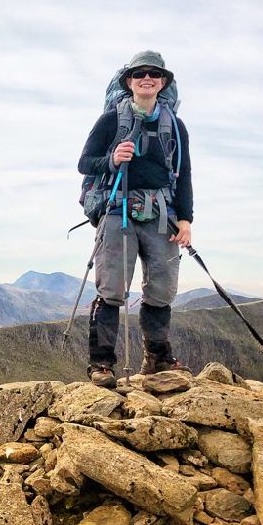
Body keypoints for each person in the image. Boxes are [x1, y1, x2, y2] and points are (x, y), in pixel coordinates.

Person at [77, 50, 193, 388]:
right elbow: (85, 162)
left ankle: (158, 359)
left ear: (163, 82)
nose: (147, 78)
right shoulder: (111, 120)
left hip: (161, 214)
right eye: (140, 73)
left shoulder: (176, 126)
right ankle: (101, 364)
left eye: (154, 74)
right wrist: (112, 160)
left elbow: (183, 175)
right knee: (111, 289)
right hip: (117, 210)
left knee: (161, 290)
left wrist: (185, 220)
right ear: (129, 81)